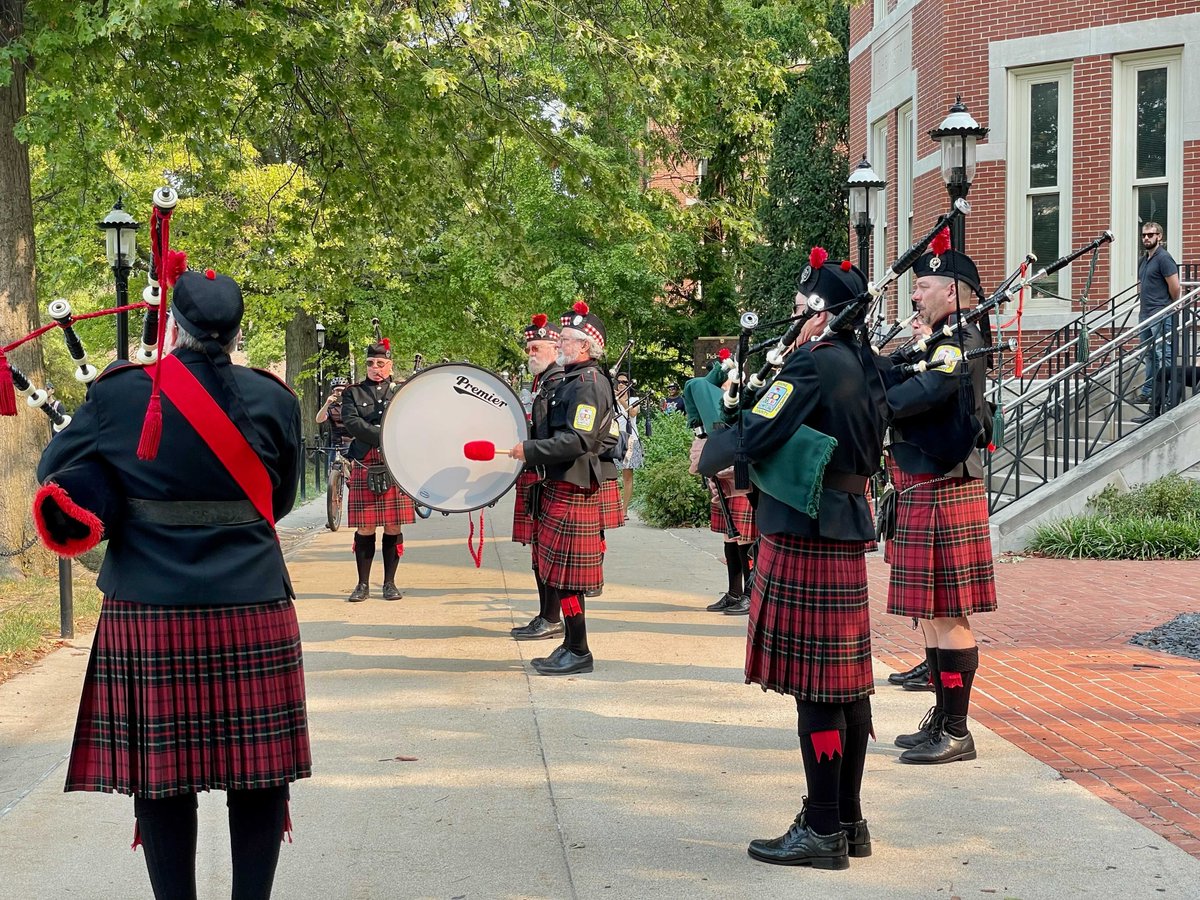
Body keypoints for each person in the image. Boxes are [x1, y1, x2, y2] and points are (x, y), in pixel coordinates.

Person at [34, 267, 308, 900]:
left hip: (149, 606)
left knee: (161, 776)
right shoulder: (274, 399)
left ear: (173, 327)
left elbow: (56, 468)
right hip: (252, 602)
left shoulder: (122, 393)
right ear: (238, 330)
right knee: (259, 776)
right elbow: (283, 500)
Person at [699, 249, 887, 869]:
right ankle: (850, 821)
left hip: (805, 529)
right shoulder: (864, 363)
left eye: (801, 306)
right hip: (843, 525)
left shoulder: (811, 365)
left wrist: (714, 444)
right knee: (846, 687)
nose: (794, 315)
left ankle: (824, 828)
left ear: (819, 312)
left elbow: (760, 431)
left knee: (816, 690)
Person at [880, 237, 998, 765]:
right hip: (922, 482)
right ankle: (942, 716)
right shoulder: (936, 339)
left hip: (945, 482)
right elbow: (900, 376)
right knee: (931, 613)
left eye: (923, 286)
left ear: (953, 291)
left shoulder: (962, 339)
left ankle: (957, 728)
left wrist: (878, 399)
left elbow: (924, 393)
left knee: (948, 613)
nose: (915, 296)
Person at [511, 300, 614, 676]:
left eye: (567, 339)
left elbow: (578, 441)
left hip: (574, 487)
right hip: (562, 485)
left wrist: (528, 449)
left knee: (569, 581)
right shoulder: (574, 381)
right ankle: (571, 644)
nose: (561, 344)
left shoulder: (587, 385)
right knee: (561, 575)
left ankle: (579, 649)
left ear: (584, 346)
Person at [341, 338, 416, 602]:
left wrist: (383, 435)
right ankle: (362, 584)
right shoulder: (353, 392)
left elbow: (410, 421)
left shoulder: (401, 392)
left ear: (390, 365)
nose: (375, 368)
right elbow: (351, 422)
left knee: (393, 525)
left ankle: (389, 583)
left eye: (380, 363)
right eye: (371, 363)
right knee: (365, 526)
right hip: (365, 460)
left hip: (394, 461)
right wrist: (384, 434)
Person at [510, 313, 566, 641]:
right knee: (539, 553)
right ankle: (546, 614)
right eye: (529, 348)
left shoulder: (558, 381)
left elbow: (557, 436)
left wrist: (529, 450)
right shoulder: (542, 381)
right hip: (537, 473)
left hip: (549, 475)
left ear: (555, 347)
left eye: (537, 347)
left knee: (549, 555)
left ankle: (552, 617)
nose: (531, 353)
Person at [1135, 221, 1181, 419]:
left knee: (1164, 354)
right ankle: (1148, 392)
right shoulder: (1143, 260)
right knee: (1149, 355)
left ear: (1159, 237)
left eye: (1151, 235)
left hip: (1161, 312)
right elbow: (1141, 284)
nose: (1146, 238)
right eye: (1144, 235)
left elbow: (1175, 286)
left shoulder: (1164, 258)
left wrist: (1171, 304)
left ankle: (1166, 395)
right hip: (1144, 314)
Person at [613, 375, 644, 513]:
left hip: (630, 439)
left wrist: (620, 399)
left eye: (625, 382)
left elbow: (632, 413)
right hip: (613, 438)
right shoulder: (611, 398)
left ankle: (624, 510)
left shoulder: (634, 400)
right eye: (619, 382)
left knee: (627, 476)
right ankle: (611, 507)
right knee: (610, 474)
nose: (621, 384)